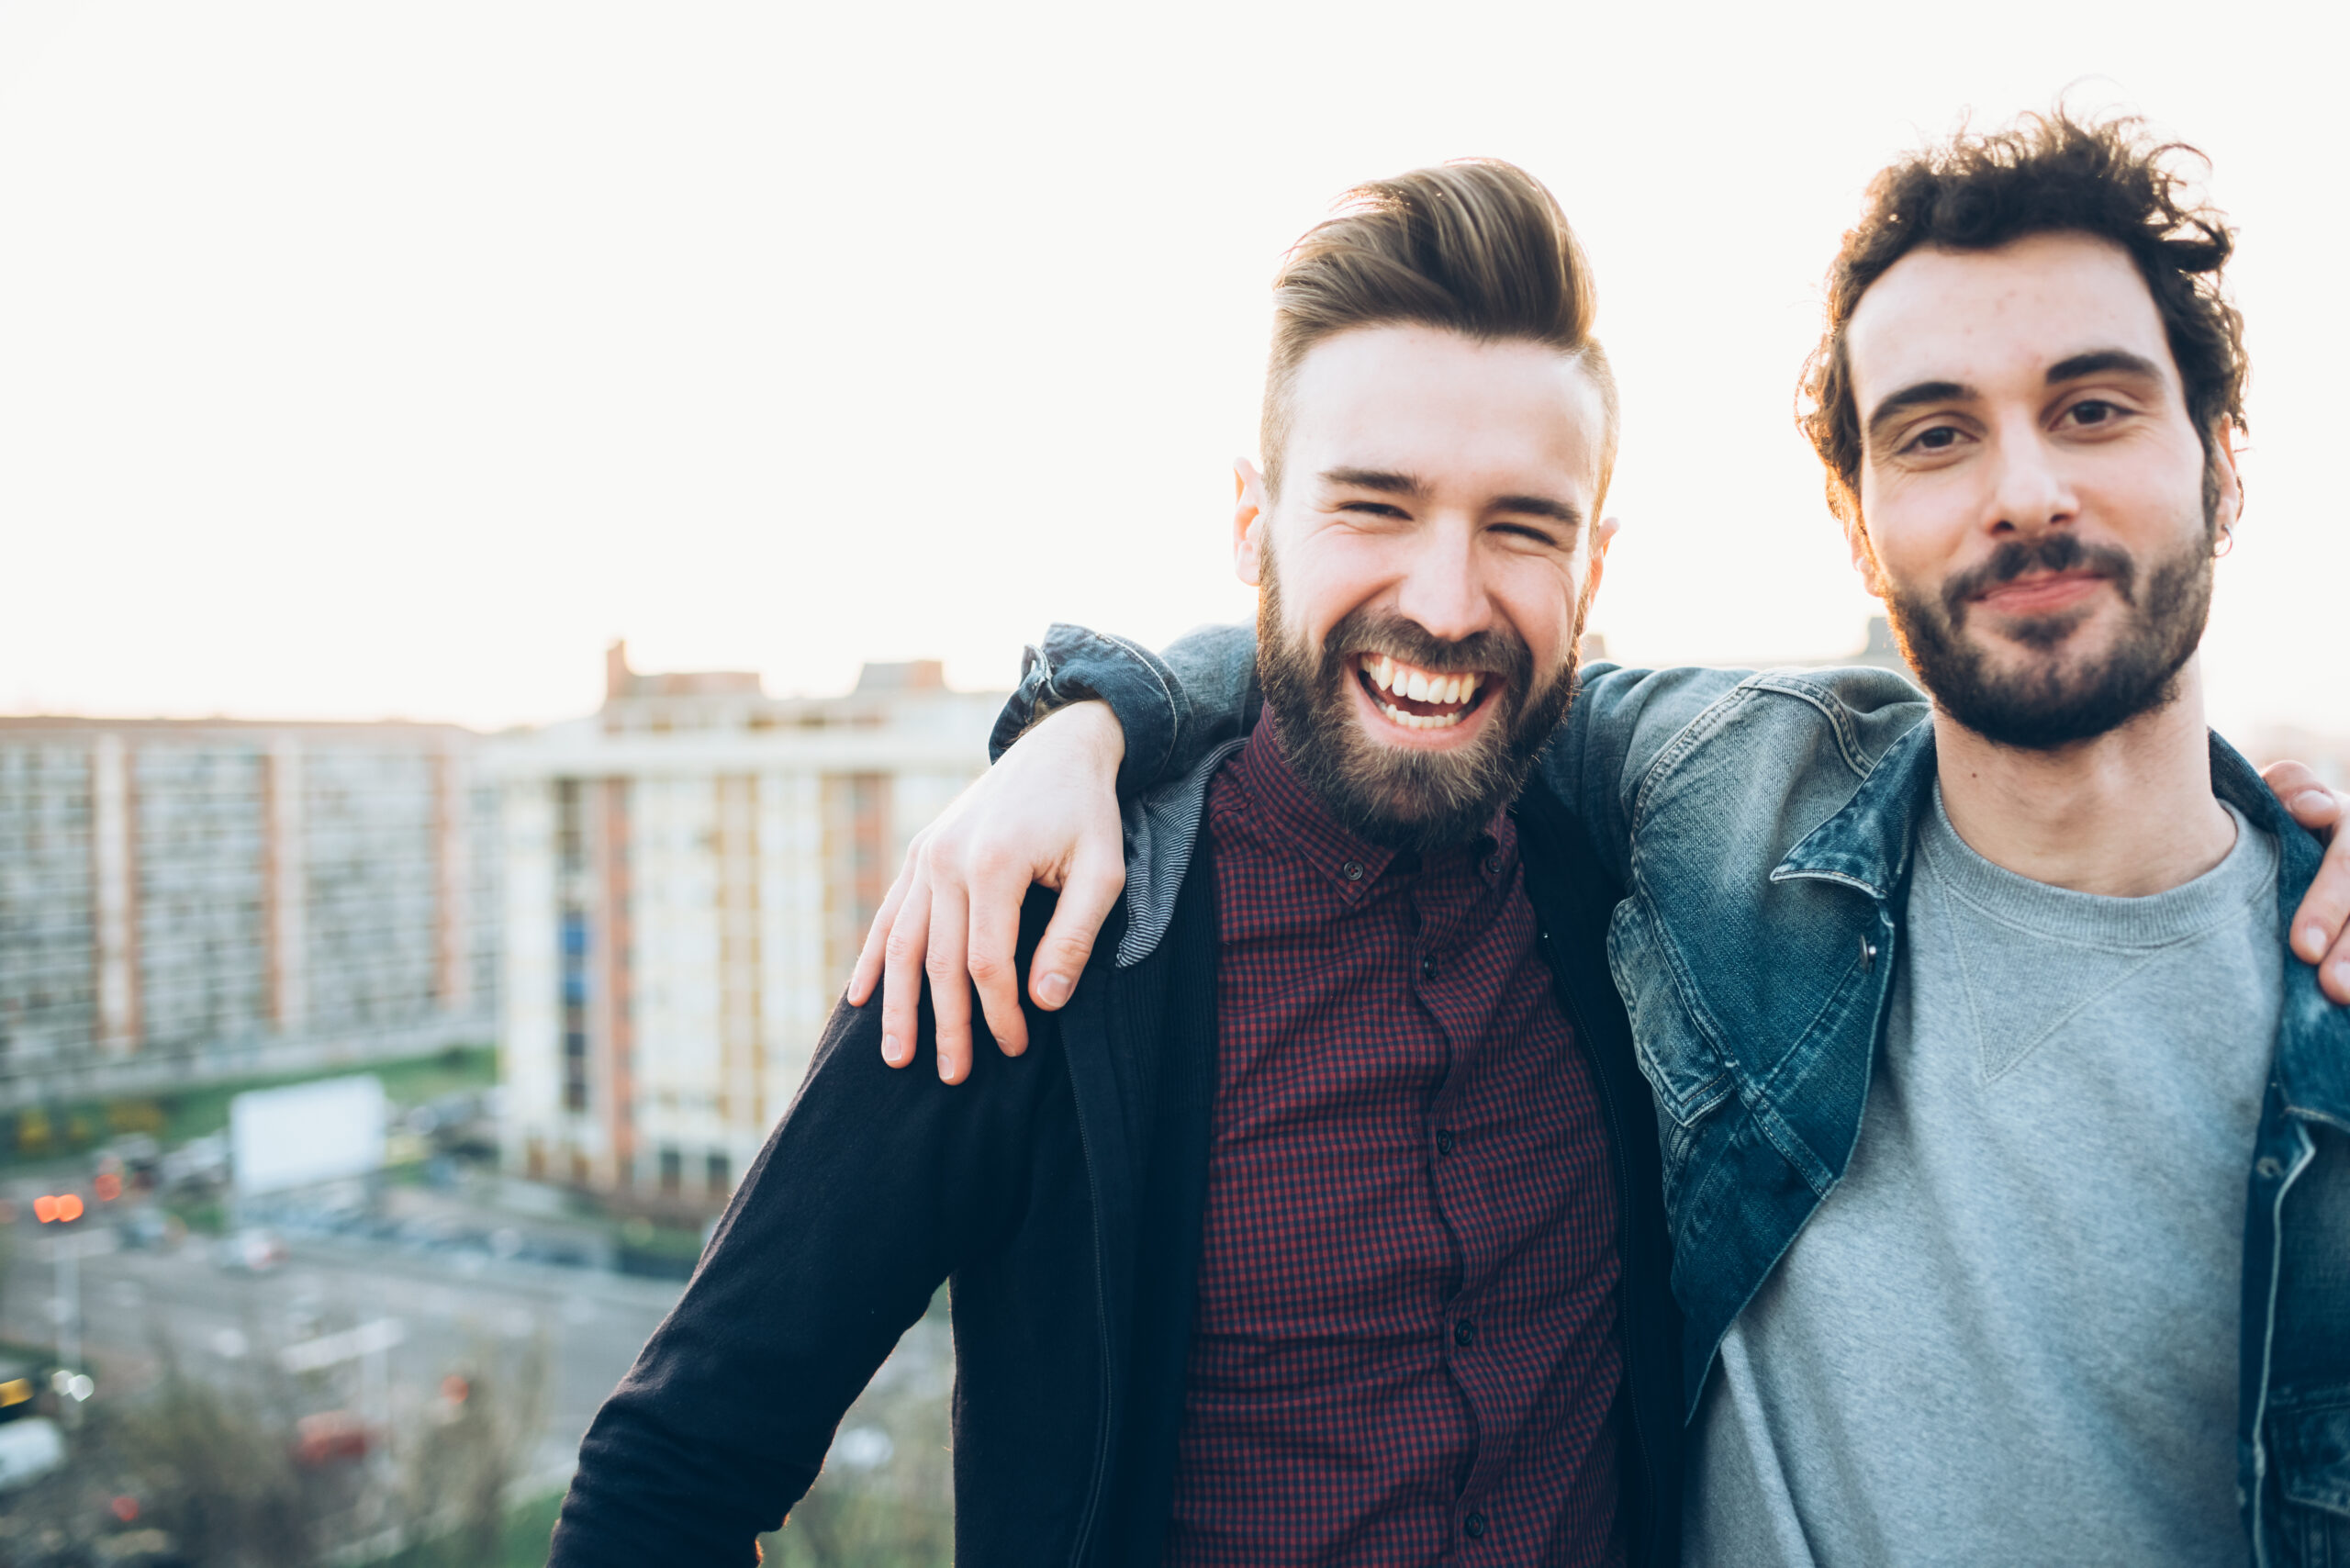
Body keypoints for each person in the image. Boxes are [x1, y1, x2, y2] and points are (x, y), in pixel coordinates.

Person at [859, 115, 2350, 1565]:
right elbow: (1395, 650)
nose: (2024, 492)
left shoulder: (2326, 1013)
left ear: (2223, 462)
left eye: (2094, 409)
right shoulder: (1731, 790)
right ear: (1857, 521)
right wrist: (1088, 718)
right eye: (1936, 434)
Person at [551, 161, 1689, 1568]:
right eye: (1374, 507)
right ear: (1250, 526)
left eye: (1522, 526)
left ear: (1594, 566)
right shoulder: (1037, 927)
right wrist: (1085, 719)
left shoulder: (1635, 901)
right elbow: (669, 1478)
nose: (1448, 603)